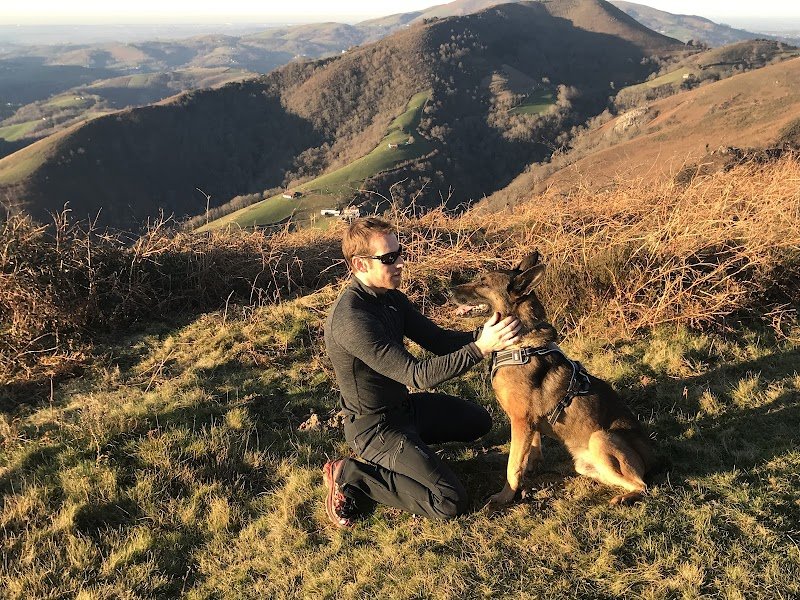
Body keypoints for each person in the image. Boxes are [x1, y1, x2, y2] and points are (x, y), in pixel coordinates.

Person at [322, 217, 521, 527]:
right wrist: (482, 347)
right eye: (389, 258)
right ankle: (352, 474)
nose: (400, 263)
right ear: (360, 264)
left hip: (405, 410)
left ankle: (411, 459)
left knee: (478, 421)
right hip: (374, 429)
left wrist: (489, 334)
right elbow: (418, 376)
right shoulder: (352, 320)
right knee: (450, 501)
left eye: (400, 253)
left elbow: (439, 341)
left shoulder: (390, 298)